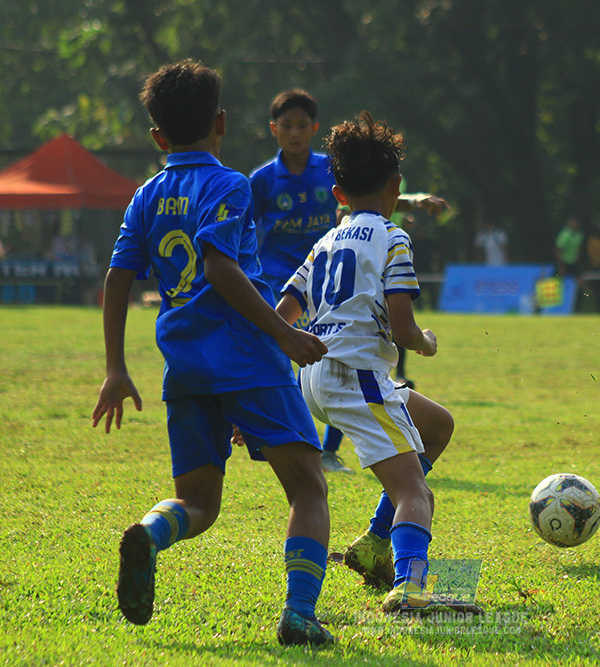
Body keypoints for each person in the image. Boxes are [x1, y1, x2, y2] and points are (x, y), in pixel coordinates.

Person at [91, 60, 334, 646]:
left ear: (157, 137)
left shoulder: (146, 195)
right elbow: (222, 266)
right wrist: (283, 334)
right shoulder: (229, 184)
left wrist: (116, 369)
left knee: (196, 502)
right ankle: (300, 614)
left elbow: (118, 277)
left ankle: (151, 533)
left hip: (186, 369)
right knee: (307, 488)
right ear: (220, 123)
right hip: (248, 360)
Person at [276, 111, 471, 614]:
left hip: (312, 375)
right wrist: (426, 341)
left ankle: (372, 545)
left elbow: (281, 317)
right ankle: (410, 588)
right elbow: (405, 330)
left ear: (338, 194)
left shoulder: (323, 243)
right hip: (355, 376)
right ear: (396, 186)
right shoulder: (393, 237)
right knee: (416, 493)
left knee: (437, 426)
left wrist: (266, 393)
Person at [249, 88, 447, 474]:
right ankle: (293, 430)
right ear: (274, 130)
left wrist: (415, 200)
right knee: (342, 354)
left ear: (314, 128)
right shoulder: (262, 180)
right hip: (292, 277)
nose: (294, 133)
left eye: (302, 125)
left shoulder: (331, 167)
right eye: (287, 126)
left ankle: (327, 446)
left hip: (333, 268)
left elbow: (370, 193)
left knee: (335, 356)